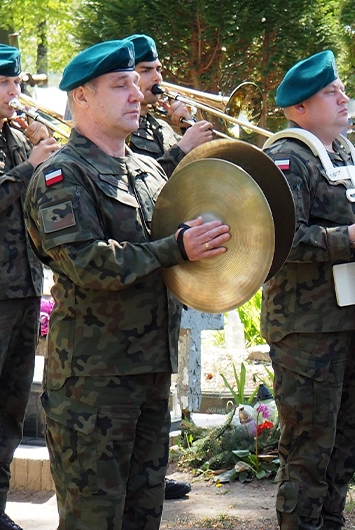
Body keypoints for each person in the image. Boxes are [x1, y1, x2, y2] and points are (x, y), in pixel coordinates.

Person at [23, 39, 230, 530]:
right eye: (120, 85)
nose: (137, 93)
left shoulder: (145, 169)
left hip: (146, 373)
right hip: (93, 382)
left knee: (138, 525)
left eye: (134, 82)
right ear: (82, 97)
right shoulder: (63, 177)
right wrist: (175, 250)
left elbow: (180, 245)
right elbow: (88, 263)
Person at [262, 50, 355, 530]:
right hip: (307, 325)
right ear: (298, 108)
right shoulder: (288, 158)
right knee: (310, 444)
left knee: (345, 440)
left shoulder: (349, 152)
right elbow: (273, 237)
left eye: (342, 89)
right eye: (331, 93)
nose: (344, 98)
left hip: (354, 319)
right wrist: (347, 239)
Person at [125, 32, 212, 501]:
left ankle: (155, 471)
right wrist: (180, 149)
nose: (158, 81)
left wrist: (187, 137)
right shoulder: (128, 129)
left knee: (162, 382)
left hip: (165, 271)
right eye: (147, 71)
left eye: (158, 70)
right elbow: (145, 191)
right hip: (141, 267)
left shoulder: (157, 126)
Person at [0, 43, 58, 530]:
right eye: (4, 84)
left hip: (24, 289)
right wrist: (26, 169)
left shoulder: (13, 139)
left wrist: (44, 156)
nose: (15, 93)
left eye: (16, 84)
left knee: (9, 410)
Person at [125, 34, 214, 177]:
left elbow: (201, 174)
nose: (158, 77)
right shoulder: (119, 129)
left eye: (158, 70)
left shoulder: (163, 127)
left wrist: (188, 126)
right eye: (146, 70)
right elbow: (138, 184)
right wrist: (183, 148)